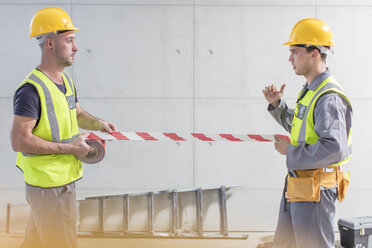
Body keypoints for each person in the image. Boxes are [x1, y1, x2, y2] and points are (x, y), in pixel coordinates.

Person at [10, 7, 117, 248]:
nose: (76, 47)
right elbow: (19, 140)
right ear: (50, 44)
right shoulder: (30, 90)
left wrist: (97, 123)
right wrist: (72, 149)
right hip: (49, 186)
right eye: (69, 41)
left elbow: (76, 112)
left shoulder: (65, 81)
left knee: (35, 243)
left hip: (62, 180)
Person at [262, 18, 352, 248]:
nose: (290, 58)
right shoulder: (310, 91)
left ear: (314, 53)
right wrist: (277, 106)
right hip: (298, 188)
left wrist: (290, 151)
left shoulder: (328, 97)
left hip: (314, 194)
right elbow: (300, 127)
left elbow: (334, 148)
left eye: (294, 52)